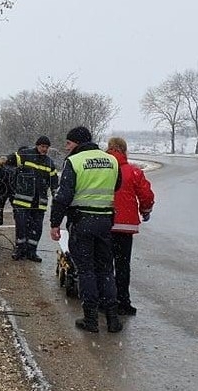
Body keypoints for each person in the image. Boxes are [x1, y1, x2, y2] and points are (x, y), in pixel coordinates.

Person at [50, 126, 123, 333]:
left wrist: (55, 223)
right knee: (106, 269)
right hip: (105, 221)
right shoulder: (111, 160)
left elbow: (63, 196)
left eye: (68, 143)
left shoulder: (74, 161)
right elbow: (117, 185)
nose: (66, 147)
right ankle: (112, 319)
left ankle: (91, 319)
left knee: (86, 271)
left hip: (82, 221)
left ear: (78, 142)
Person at [106, 137, 155, 316]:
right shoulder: (133, 171)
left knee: (105, 265)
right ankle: (123, 301)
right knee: (123, 265)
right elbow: (146, 195)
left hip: (105, 222)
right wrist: (145, 211)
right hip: (125, 226)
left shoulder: (104, 169)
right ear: (124, 150)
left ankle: (107, 300)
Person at [0, 136, 58, 262]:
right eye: (42, 146)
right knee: (22, 226)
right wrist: (4, 160)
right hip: (22, 201)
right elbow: (12, 158)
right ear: (37, 145)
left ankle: (32, 252)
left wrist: (56, 195)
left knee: (37, 228)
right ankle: (20, 250)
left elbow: (54, 182)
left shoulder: (49, 163)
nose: (44, 149)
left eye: (47, 147)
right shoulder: (26, 155)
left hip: (39, 203)